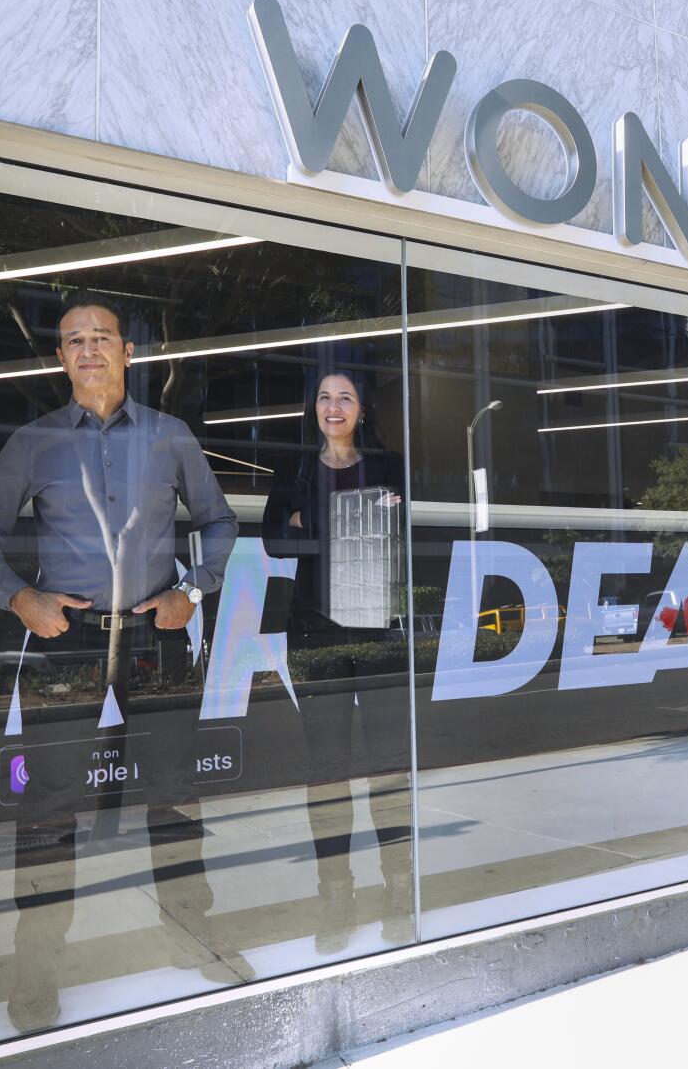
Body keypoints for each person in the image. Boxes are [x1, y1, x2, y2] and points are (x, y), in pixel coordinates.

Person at [0, 290, 242, 1031]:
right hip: (67, 642)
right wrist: (20, 599)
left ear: (128, 352)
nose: (88, 349)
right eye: (74, 340)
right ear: (60, 358)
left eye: (102, 337)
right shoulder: (34, 442)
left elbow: (218, 521)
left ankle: (195, 936)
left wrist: (193, 590)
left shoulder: (171, 436)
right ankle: (37, 968)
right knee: (48, 809)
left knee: (174, 795)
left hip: (155, 636)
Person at [261, 370, 414, 953]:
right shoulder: (295, 468)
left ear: (362, 408)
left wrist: (313, 523)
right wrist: (341, 521)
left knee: (388, 761)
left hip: (378, 622)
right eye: (324, 396)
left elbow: (397, 529)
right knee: (325, 765)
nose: (333, 406)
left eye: (344, 397)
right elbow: (274, 539)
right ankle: (336, 892)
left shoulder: (390, 466)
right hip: (314, 627)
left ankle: (397, 885)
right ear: (313, 407)